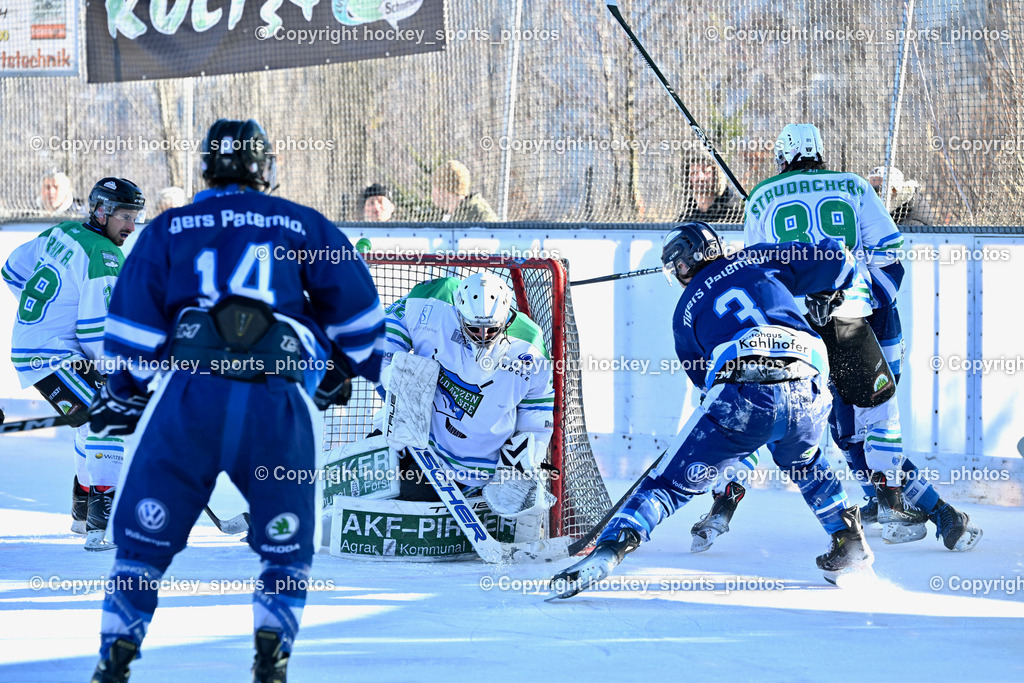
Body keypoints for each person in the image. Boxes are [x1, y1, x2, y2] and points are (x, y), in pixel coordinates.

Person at [86, 118, 385, 683]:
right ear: (265, 168)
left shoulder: (168, 228)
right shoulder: (303, 224)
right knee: (285, 546)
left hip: (190, 401)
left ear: (205, 166)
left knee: (142, 542)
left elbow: (130, 332)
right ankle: (272, 659)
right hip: (274, 407)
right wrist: (344, 367)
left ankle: (115, 658)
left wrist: (123, 395)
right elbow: (362, 321)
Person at [549, 223, 870, 599]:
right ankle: (850, 544)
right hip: (810, 389)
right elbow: (839, 260)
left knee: (667, 484)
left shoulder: (684, 312)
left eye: (677, 266)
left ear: (685, 262)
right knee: (807, 462)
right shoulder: (758, 256)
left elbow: (707, 386)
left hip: (745, 390)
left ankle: (610, 550)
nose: (678, 275)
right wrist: (829, 291)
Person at [699, 124, 979, 553]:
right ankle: (909, 505)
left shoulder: (761, 196)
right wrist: (860, 298)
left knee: (801, 418)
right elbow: (889, 251)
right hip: (858, 322)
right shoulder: (852, 185)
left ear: (783, 157)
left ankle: (725, 504)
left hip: (797, 329)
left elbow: (759, 269)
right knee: (872, 422)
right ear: (820, 152)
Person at [2, 177, 145, 551]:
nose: (131, 226)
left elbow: (13, 270)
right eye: (124, 217)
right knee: (108, 417)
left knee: (89, 424)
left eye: (135, 217)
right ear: (101, 212)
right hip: (55, 355)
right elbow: (96, 333)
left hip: (39, 348)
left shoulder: (63, 231)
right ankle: (101, 527)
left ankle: (82, 516)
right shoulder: (105, 254)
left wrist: (48, 321)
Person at [378, 272, 554, 517]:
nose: (482, 336)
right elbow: (385, 329)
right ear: (459, 314)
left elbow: (537, 411)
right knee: (379, 477)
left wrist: (524, 462)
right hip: (424, 448)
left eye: (491, 329)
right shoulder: (433, 301)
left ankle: (473, 490)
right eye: (474, 328)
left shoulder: (529, 345)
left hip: (484, 466)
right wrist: (391, 381)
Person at [676, 155, 744, 223]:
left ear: (716, 174)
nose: (700, 177)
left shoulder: (734, 214)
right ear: (689, 179)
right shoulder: (686, 217)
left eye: (706, 171)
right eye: (694, 173)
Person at [867, 165, 938, 226]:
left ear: (894, 188)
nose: (873, 194)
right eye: (869, 190)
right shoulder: (895, 210)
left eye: (877, 189)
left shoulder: (911, 217)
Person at [430, 160, 497, 222]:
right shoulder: (445, 215)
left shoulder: (476, 216)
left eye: (435, 187)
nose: (432, 193)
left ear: (444, 190)